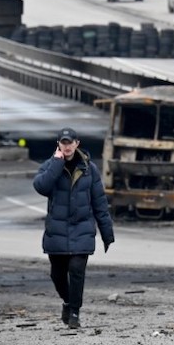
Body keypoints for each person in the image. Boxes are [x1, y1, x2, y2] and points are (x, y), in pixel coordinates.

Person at [32, 127, 115, 329]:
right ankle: (68, 302)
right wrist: (57, 163)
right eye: (64, 142)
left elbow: (100, 203)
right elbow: (41, 186)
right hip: (57, 231)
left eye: (70, 143)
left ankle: (75, 312)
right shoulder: (51, 166)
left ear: (77, 144)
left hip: (82, 229)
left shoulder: (89, 169)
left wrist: (107, 234)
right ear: (58, 144)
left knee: (77, 270)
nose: (67, 146)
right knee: (57, 275)